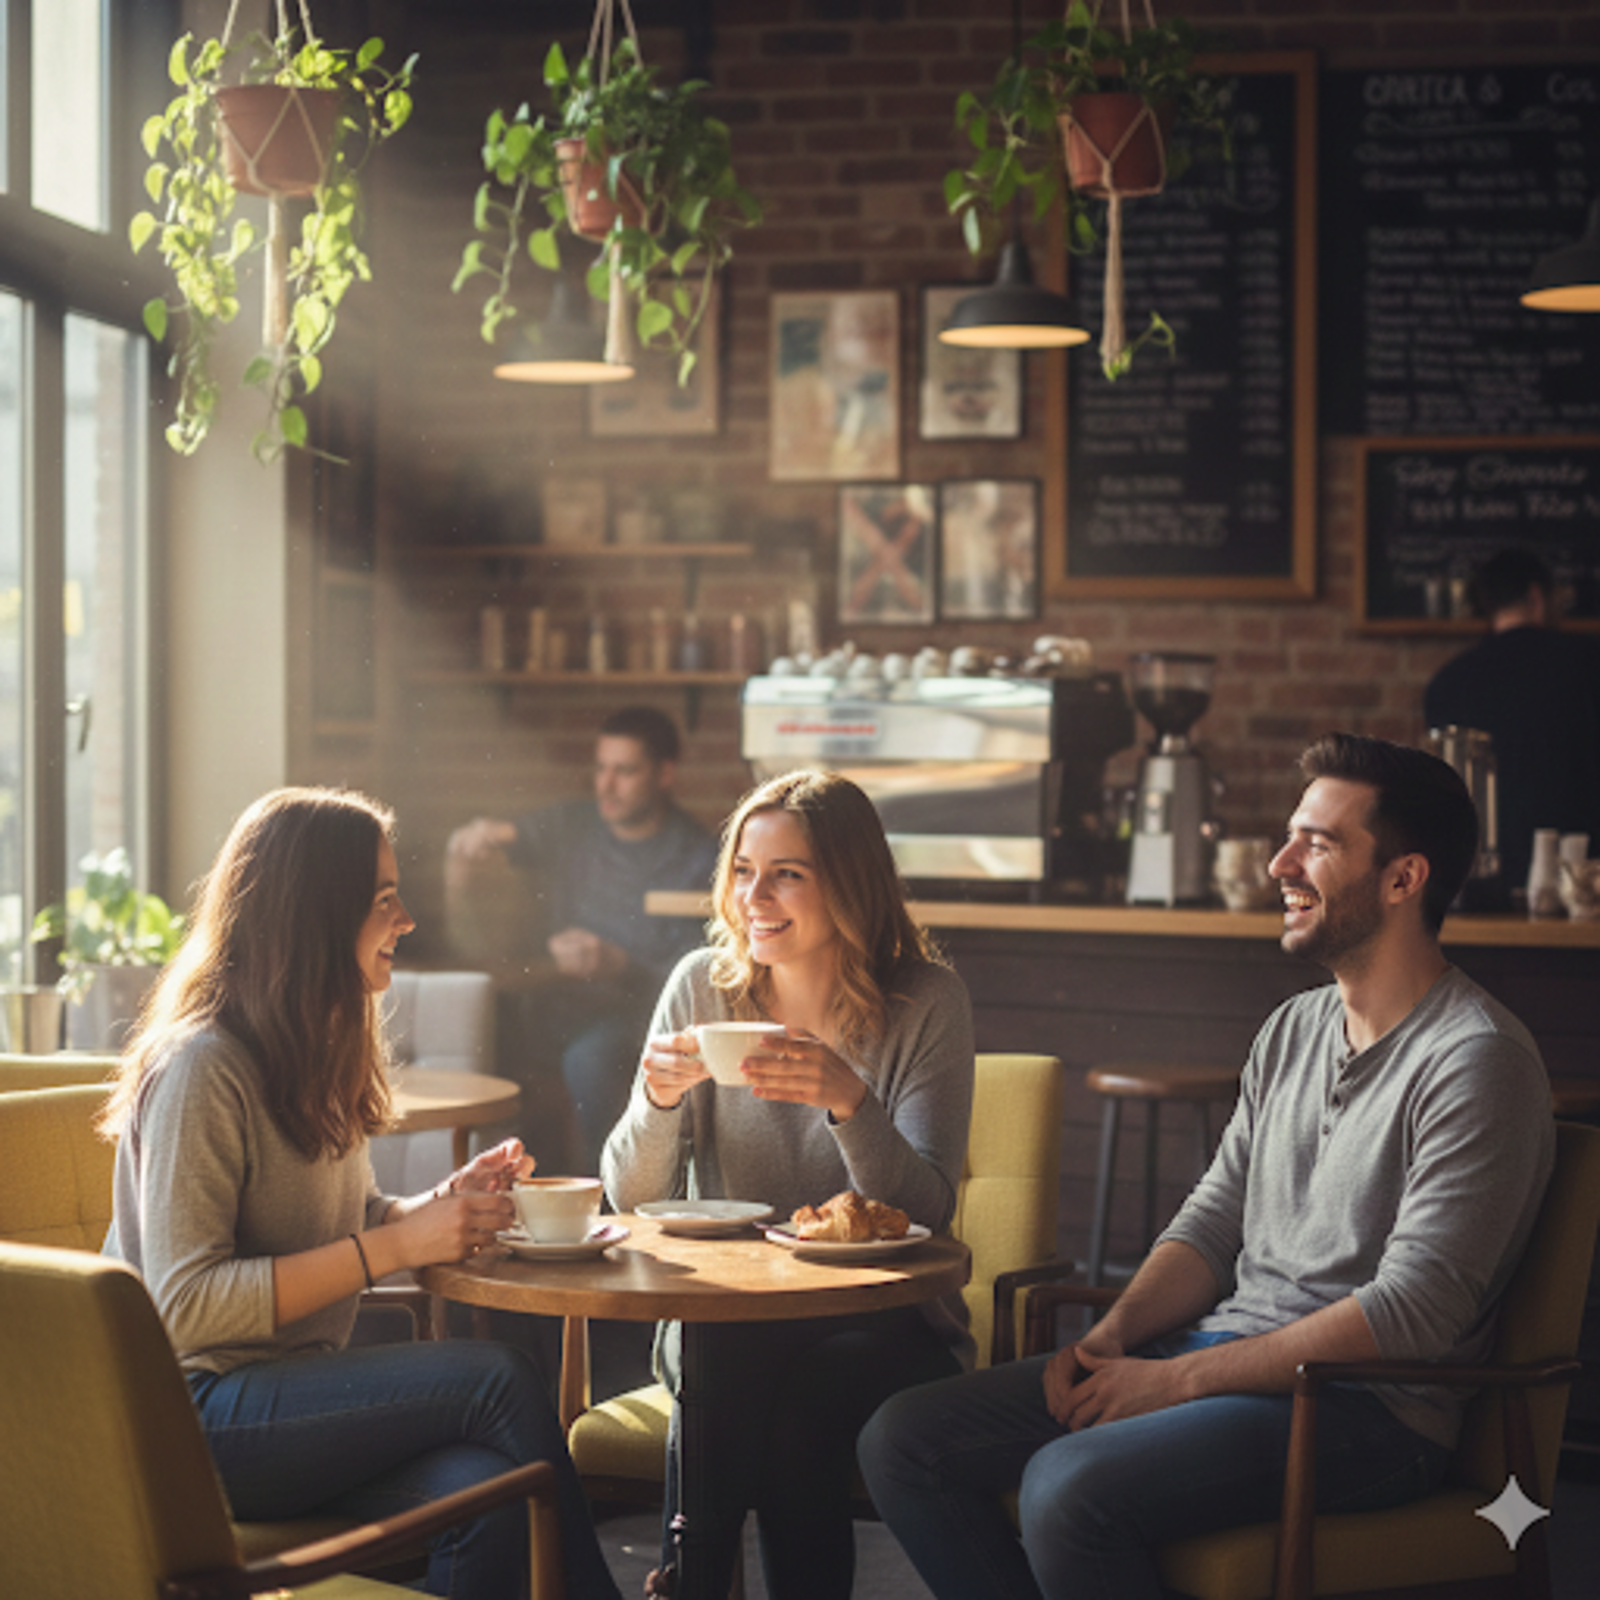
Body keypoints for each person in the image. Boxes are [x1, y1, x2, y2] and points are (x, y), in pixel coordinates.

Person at [858, 733, 1555, 1600]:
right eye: (1290, 836)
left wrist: (1174, 1380)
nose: (1279, 864)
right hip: (1226, 1356)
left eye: (1319, 844)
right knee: (902, 1439)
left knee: (1069, 1489)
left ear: (1404, 879)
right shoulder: (1294, 1029)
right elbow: (1215, 1221)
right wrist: (1112, 1337)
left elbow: (1409, 1314)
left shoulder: (1476, 1060)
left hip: (1363, 1411)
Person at [101, 787, 623, 1600]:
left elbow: (355, 1223)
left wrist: (438, 1209)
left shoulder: (315, 1046)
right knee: (497, 1377)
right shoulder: (203, 1067)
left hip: (287, 1406)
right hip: (190, 1418)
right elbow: (185, 1303)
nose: (407, 920)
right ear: (316, 916)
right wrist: (396, 1245)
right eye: (385, 900)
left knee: (492, 1492)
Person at [601, 769, 976, 1600]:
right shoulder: (702, 986)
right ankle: (696, 1584)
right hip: (723, 1320)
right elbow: (628, 1197)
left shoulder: (925, 1003)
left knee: (786, 1391)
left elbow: (925, 1210)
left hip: (881, 1326)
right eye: (742, 870)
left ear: (848, 882)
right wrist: (659, 1101)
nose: (754, 896)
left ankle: (685, 1581)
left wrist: (848, 1099)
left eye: (787, 874)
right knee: (731, 1340)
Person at [446, 706, 718, 1171]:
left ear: (664, 774)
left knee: (591, 1059)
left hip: (633, 1016)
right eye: (601, 768)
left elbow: (692, 981)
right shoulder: (577, 825)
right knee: (475, 1026)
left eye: (625, 771)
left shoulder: (698, 857)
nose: (606, 786)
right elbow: (512, 834)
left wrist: (619, 964)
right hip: (554, 1003)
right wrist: (477, 837)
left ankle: (604, 1200)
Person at [1424, 547, 1600, 894]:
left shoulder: (1447, 682)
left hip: (1482, 880)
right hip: (1584, 879)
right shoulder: (1590, 662)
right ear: (1537, 596)